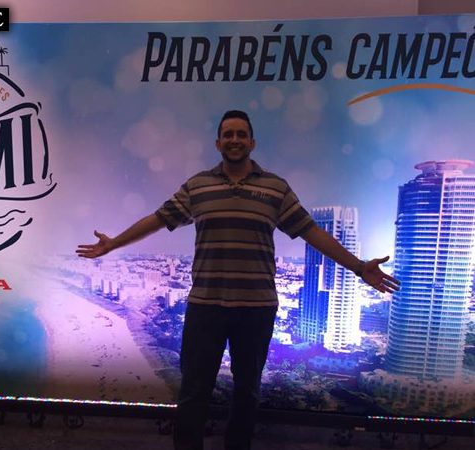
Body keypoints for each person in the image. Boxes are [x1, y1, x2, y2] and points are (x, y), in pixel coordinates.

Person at [77, 110, 400, 450]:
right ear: (218, 143)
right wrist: (114, 244)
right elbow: (158, 219)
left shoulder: (275, 188)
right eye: (228, 134)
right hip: (206, 307)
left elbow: (312, 232)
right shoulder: (198, 186)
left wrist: (358, 266)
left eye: (241, 134)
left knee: (247, 394)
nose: (234, 140)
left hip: (256, 309)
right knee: (193, 394)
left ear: (252, 142)